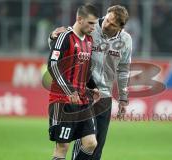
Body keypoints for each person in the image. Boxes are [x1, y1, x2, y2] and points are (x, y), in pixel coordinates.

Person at [49, 5, 132, 160]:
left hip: (104, 96)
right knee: (81, 143)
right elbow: (65, 44)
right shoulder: (91, 27)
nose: (106, 24)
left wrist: (123, 98)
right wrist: (52, 37)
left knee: (96, 148)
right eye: (107, 19)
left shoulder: (126, 40)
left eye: (113, 24)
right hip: (83, 93)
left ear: (121, 27)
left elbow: (123, 71)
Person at [47, 4, 100, 160]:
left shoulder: (89, 40)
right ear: (79, 19)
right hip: (62, 101)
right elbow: (52, 65)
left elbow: (85, 70)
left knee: (91, 143)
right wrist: (69, 90)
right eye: (90, 23)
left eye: (95, 24)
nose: (93, 27)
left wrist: (93, 86)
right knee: (62, 146)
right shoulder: (64, 37)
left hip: (83, 100)